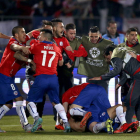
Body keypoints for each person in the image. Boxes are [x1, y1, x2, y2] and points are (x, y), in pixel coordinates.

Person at [14, 29, 71, 133]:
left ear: (45, 38)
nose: (38, 37)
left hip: (41, 78)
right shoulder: (57, 48)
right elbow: (61, 64)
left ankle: (36, 118)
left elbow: (23, 52)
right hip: (53, 78)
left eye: (40, 36)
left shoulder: (37, 46)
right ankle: (66, 122)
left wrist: (28, 57)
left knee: (30, 101)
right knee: (56, 102)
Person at [89, 45, 140, 126]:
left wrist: (101, 77)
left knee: (129, 102)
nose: (107, 60)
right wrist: (120, 83)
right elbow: (125, 73)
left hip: (138, 76)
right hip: (137, 75)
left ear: (110, 52)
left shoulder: (115, 55)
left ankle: (127, 125)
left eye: (107, 57)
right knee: (137, 102)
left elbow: (117, 70)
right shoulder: (123, 52)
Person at [0, 26, 35, 132]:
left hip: (7, 77)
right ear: (16, 35)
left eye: (25, 32)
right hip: (4, 76)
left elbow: (33, 32)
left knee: (8, 104)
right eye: (22, 32)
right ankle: (25, 125)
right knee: (18, 99)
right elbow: (14, 49)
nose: (25, 34)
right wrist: (27, 57)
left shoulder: (22, 41)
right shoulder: (13, 41)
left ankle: (25, 124)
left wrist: (45, 28)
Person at [25, 20, 53, 131]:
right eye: (46, 29)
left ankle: (38, 122)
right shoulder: (33, 43)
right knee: (33, 97)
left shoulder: (52, 44)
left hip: (43, 75)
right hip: (32, 73)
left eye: (50, 30)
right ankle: (25, 120)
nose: (48, 31)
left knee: (40, 99)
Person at [78, 26, 113, 92]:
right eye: (91, 36)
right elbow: (73, 39)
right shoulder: (84, 41)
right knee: (91, 98)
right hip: (90, 76)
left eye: (96, 36)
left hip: (103, 77)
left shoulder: (108, 44)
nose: (93, 39)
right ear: (88, 35)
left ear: (99, 35)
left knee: (102, 99)